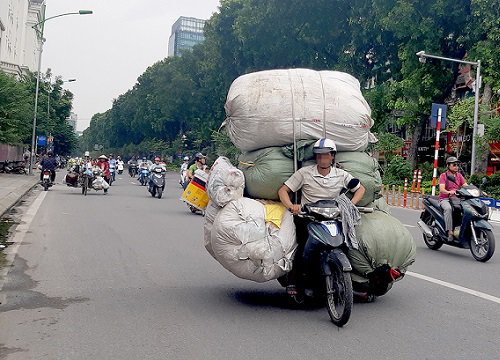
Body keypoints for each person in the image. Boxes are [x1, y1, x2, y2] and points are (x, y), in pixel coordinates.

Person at [277, 138, 365, 297]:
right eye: (319, 156)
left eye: (326, 155)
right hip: (308, 217)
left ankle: (347, 281)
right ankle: (294, 280)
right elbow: (283, 190)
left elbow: (360, 189)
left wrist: (350, 204)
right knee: (302, 246)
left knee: (344, 245)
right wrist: (292, 206)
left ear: (332, 156)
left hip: (333, 217)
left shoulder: (341, 175)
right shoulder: (304, 173)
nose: (322, 159)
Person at [438, 156, 467, 242]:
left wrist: (477, 190)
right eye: (454, 165)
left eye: (457, 165)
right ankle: (450, 232)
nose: (456, 167)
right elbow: (442, 189)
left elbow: (466, 186)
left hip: (457, 199)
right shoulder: (444, 176)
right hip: (445, 199)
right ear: (448, 166)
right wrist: (449, 192)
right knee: (448, 209)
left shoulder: (459, 176)